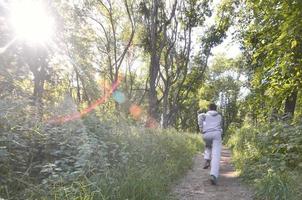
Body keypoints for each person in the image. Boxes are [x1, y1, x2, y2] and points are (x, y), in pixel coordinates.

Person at [197, 103, 223, 185]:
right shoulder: (219, 116)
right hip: (216, 134)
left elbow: (199, 116)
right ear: (216, 109)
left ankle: (207, 158)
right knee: (216, 155)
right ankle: (213, 175)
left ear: (209, 109)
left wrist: (201, 127)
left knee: (208, 145)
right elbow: (221, 127)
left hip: (206, 134)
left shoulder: (205, 115)